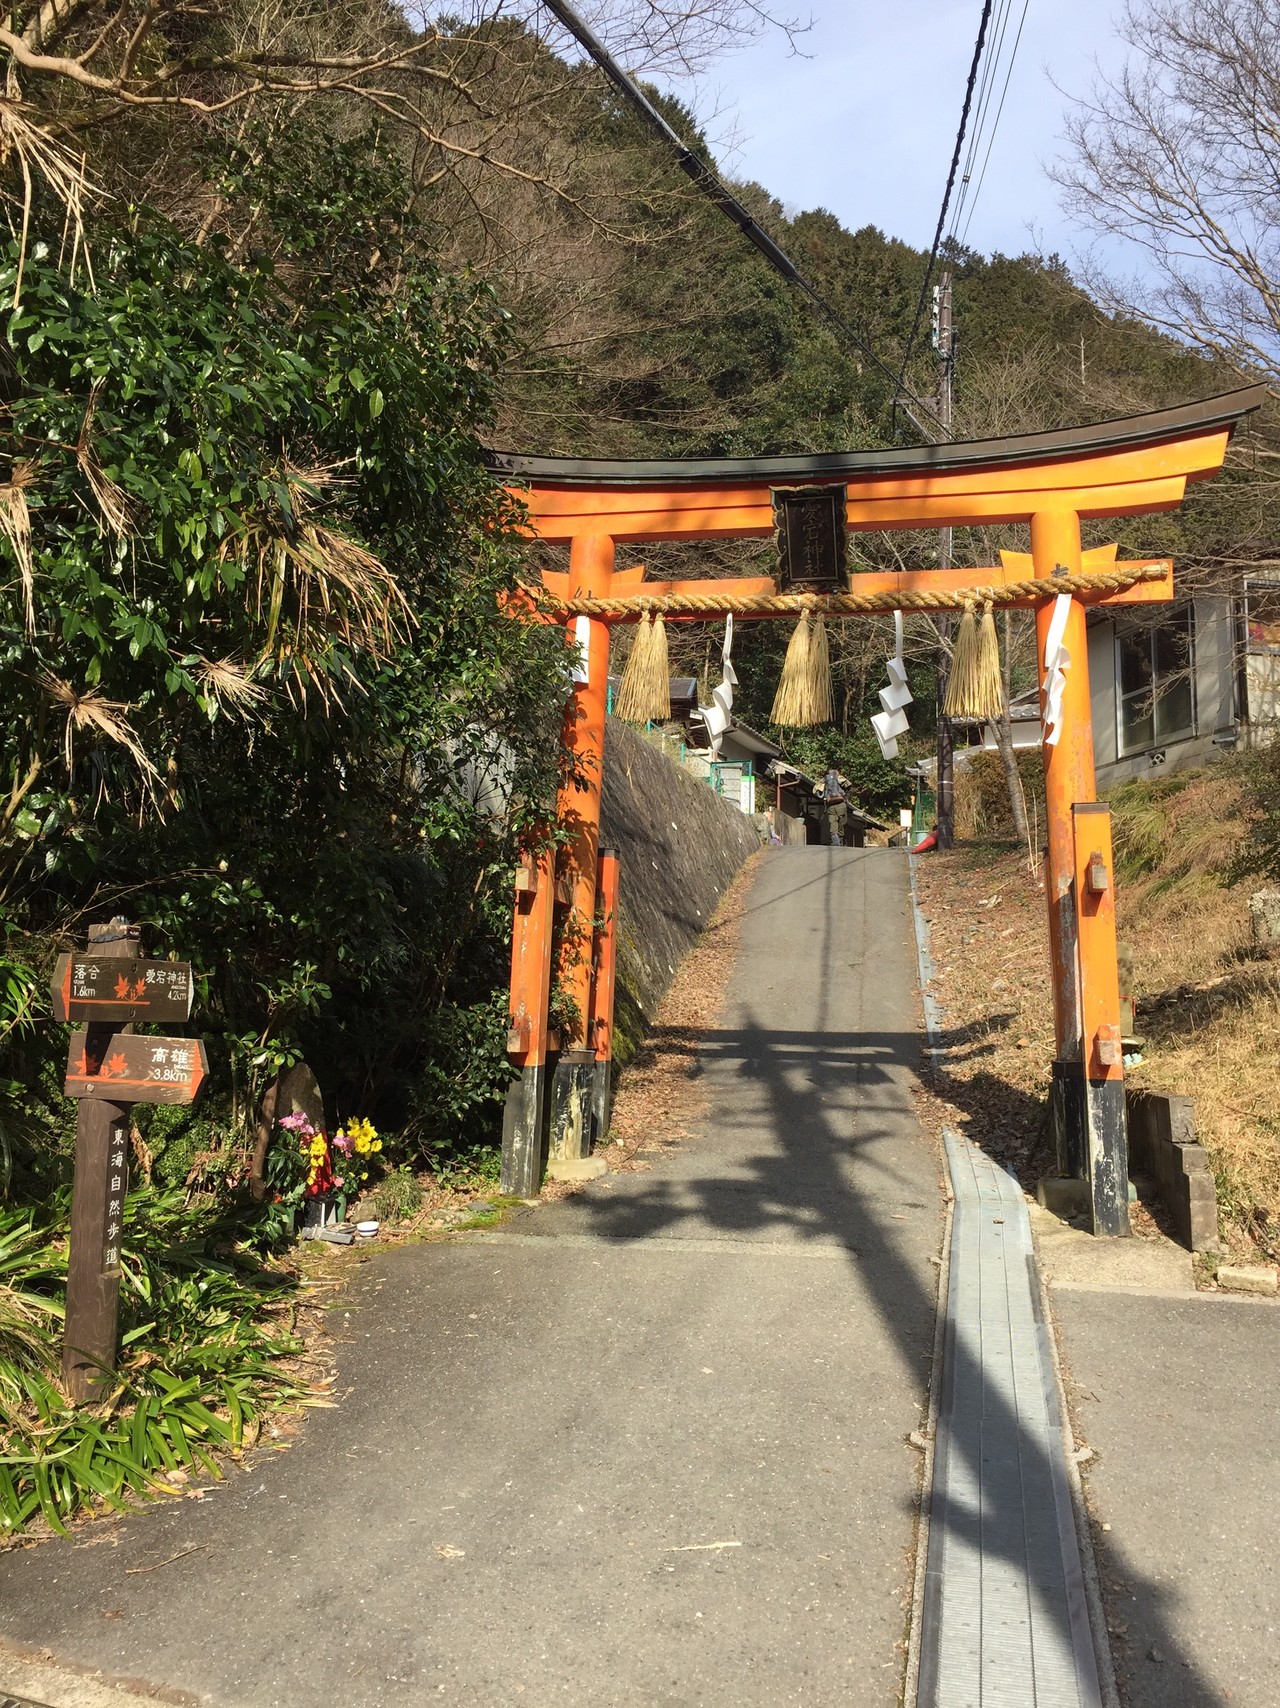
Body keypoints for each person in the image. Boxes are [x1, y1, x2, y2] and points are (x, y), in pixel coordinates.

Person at [820, 766, 848, 846]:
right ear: (838, 771)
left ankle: (835, 843)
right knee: (841, 824)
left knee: (833, 824)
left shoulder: (825, 779)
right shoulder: (841, 778)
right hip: (841, 805)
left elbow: (817, 790)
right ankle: (840, 841)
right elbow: (848, 786)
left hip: (831, 806)